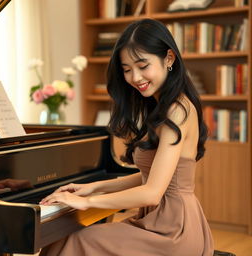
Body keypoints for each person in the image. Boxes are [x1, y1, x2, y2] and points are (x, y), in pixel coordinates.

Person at [39, 18, 214, 256]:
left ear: (169, 58)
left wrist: (87, 203)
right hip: (158, 221)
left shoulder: (178, 110)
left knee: (79, 240)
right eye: (127, 69)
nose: (135, 78)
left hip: (174, 231)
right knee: (60, 239)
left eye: (143, 66)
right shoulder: (161, 107)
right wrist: (91, 188)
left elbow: (152, 192)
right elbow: (148, 176)